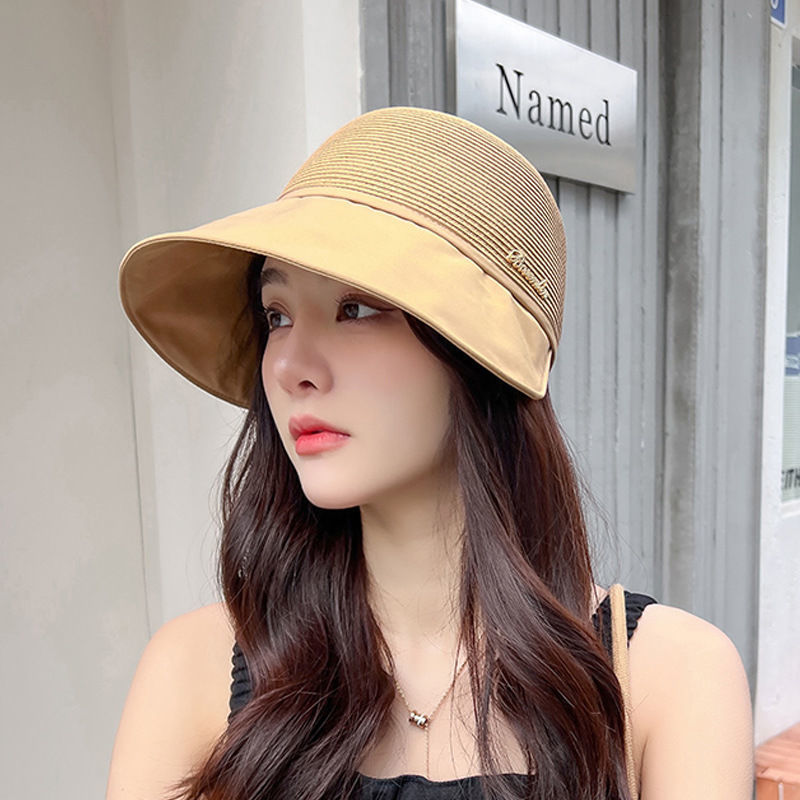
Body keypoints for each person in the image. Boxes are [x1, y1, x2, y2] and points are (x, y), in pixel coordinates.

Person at [106, 107, 753, 800]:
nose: (290, 365)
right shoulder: (192, 671)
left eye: (356, 309)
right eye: (277, 316)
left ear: (477, 358)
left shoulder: (667, 679)